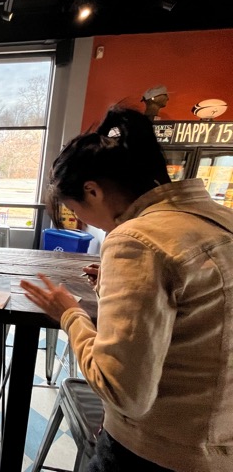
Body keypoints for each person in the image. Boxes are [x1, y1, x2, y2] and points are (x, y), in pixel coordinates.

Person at [20, 106, 233, 472]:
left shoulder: (135, 240)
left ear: (92, 191)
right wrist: (112, 286)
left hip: (158, 452)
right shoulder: (220, 218)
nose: (81, 220)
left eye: (76, 210)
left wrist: (69, 314)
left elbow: (121, 390)